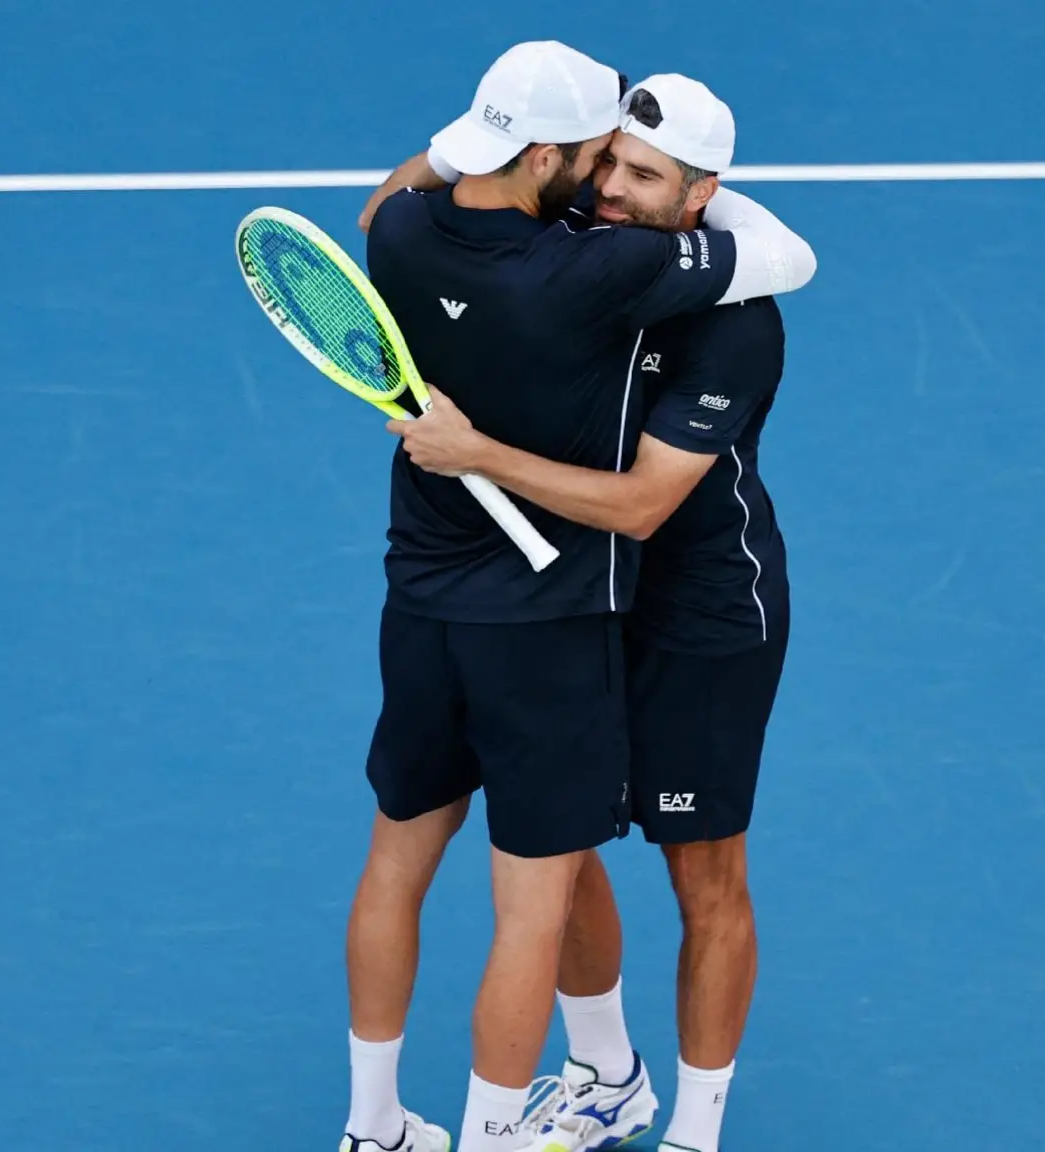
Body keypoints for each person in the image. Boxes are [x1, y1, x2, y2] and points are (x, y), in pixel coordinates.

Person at [339, 42, 817, 1152]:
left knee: (704, 879)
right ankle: (607, 1076)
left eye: (642, 175)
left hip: (696, 610)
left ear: (701, 196)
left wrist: (474, 452)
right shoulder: (576, 247)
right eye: (606, 161)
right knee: (561, 845)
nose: (609, 188)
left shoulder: (731, 318)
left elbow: (646, 505)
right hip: (578, 599)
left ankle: (693, 1133)